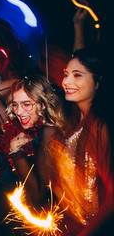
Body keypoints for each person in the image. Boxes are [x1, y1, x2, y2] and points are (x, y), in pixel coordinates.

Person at [0, 74, 65, 235]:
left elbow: (37, 195)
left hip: (19, 225)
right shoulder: (14, 127)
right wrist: (26, 81)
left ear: (43, 105)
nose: (19, 111)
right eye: (15, 104)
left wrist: (16, 151)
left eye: (27, 104)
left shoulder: (48, 132)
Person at [42, 49, 114, 235]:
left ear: (98, 83)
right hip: (72, 224)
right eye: (66, 74)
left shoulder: (100, 127)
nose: (66, 81)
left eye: (77, 75)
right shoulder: (73, 120)